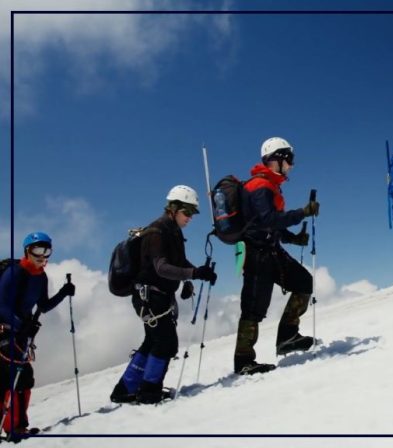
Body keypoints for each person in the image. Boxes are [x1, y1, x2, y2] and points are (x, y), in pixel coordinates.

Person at [110, 185, 216, 405]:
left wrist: (196, 274)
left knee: (153, 341)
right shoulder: (157, 232)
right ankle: (149, 391)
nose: (190, 218)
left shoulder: (172, 232)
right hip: (150, 297)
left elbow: (177, 263)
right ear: (174, 209)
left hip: (154, 296)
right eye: (187, 212)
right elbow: (161, 267)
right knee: (166, 343)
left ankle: (125, 389)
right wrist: (194, 273)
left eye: (193, 213)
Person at [233, 137, 319, 375]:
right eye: (289, 159)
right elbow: (267, 220)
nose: (291, 164)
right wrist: (302, 212)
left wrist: (293, 239)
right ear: (275, 160)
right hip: (257, 255)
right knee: (253, 308)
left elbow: (272, 225)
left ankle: (288, 337)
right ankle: (243, 362)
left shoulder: (269, 185)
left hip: (271, 251)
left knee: (303, 282)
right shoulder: (259, 186)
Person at [0, 232, 75, 440]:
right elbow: (2, 306)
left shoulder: (40, 276)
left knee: (23, 379)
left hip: (22, 333)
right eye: (38, 250)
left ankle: (20, 426)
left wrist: (63, 293)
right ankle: (11, 428)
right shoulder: (14, 273)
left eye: (47, 251)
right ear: (27, 251)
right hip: (6, 332)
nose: (43, 256)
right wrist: (21, 325)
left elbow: (43, 305)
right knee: (10, 379)